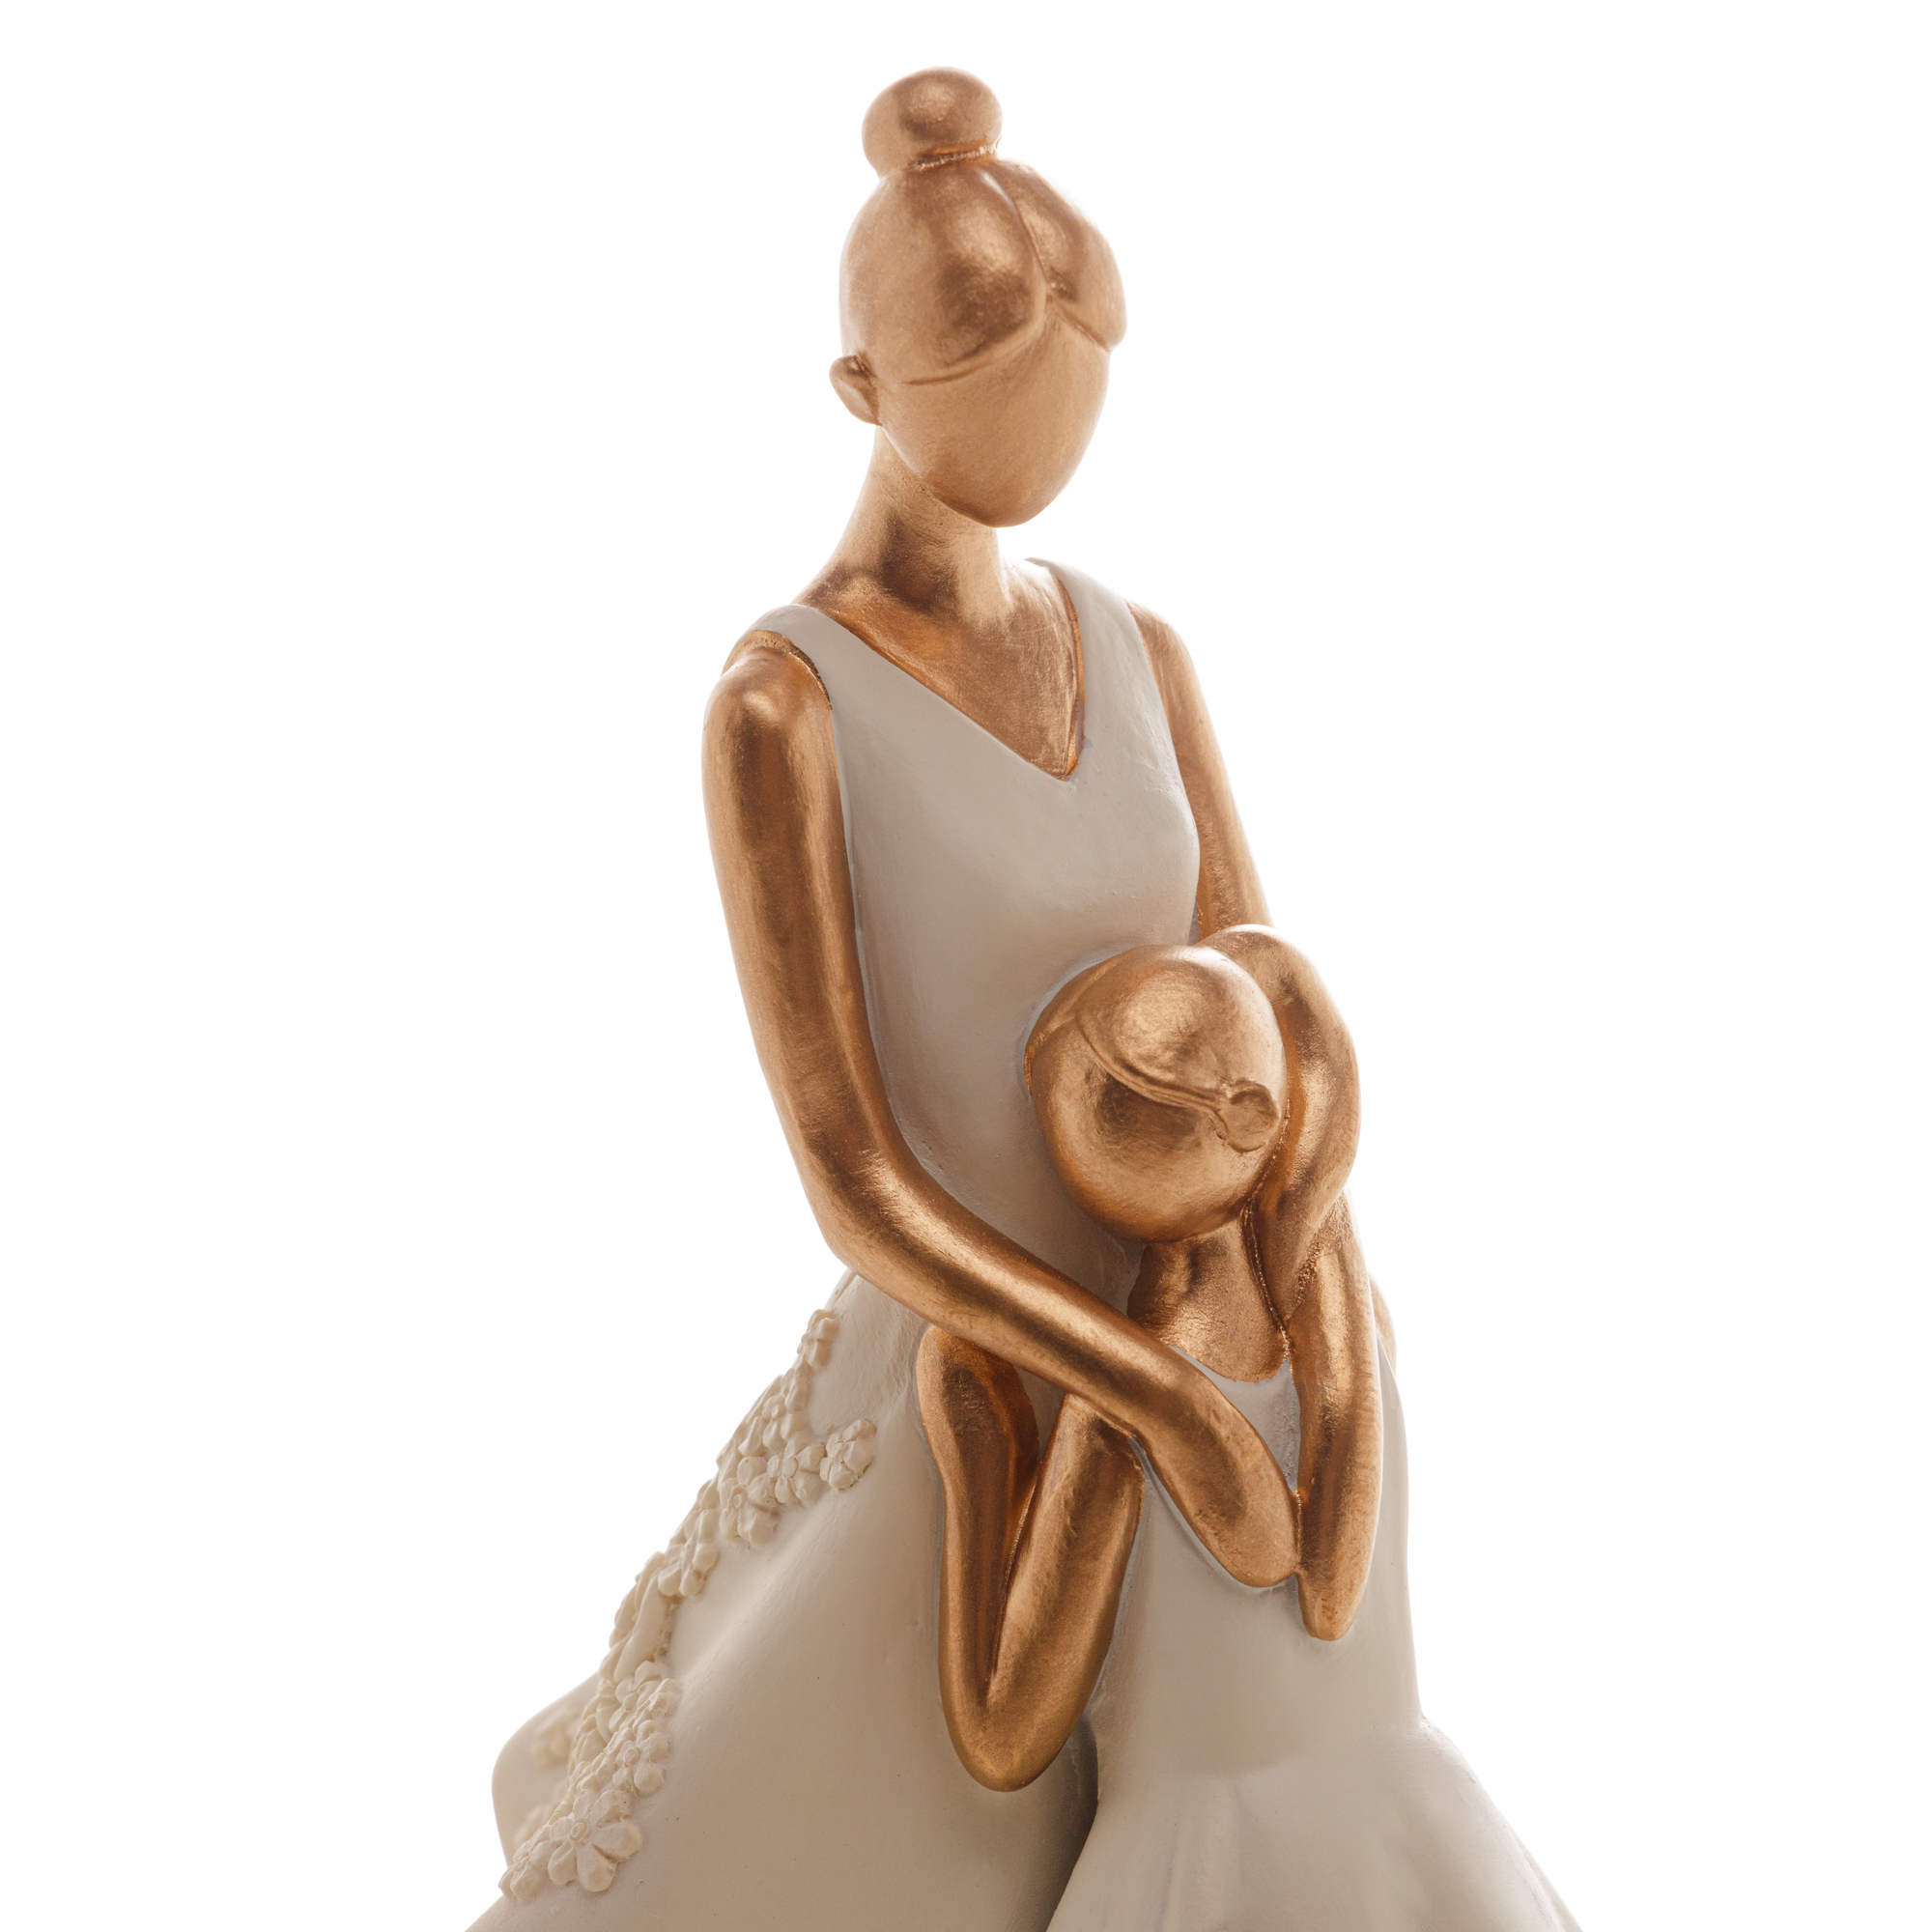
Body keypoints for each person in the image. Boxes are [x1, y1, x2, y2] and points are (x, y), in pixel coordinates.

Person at [470, 69, 1296, 1930]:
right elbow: (852, 1175)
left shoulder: (1140, 651)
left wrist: (1283, 1286)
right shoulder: (787, 705)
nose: (1048, 435)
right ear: (862, 389)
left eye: (1080, 384)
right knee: (858, 1814)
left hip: (1195, 1312)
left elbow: (1260, 987)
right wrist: (1137, 1388)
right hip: (981, 1371)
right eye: (994, 384)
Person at [920, 938, 1581, 1929]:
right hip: (1409, 1821)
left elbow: (1003, 1731)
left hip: (1207, 1862)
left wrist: (977, 1443)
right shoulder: (1358, 1330)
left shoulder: (1113, 1425)